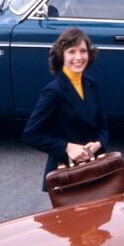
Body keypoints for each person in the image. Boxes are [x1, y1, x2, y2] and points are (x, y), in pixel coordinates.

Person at [23, 27, 110, 190]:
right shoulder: (53, 91)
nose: (78, 57)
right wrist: (67, 147)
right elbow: (31, 134)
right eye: (72, 52)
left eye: (83, 51)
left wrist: (99, 143)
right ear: (61, 56)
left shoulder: (90, 84)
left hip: (93, 167)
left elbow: (102, 125)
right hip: (67, 173)